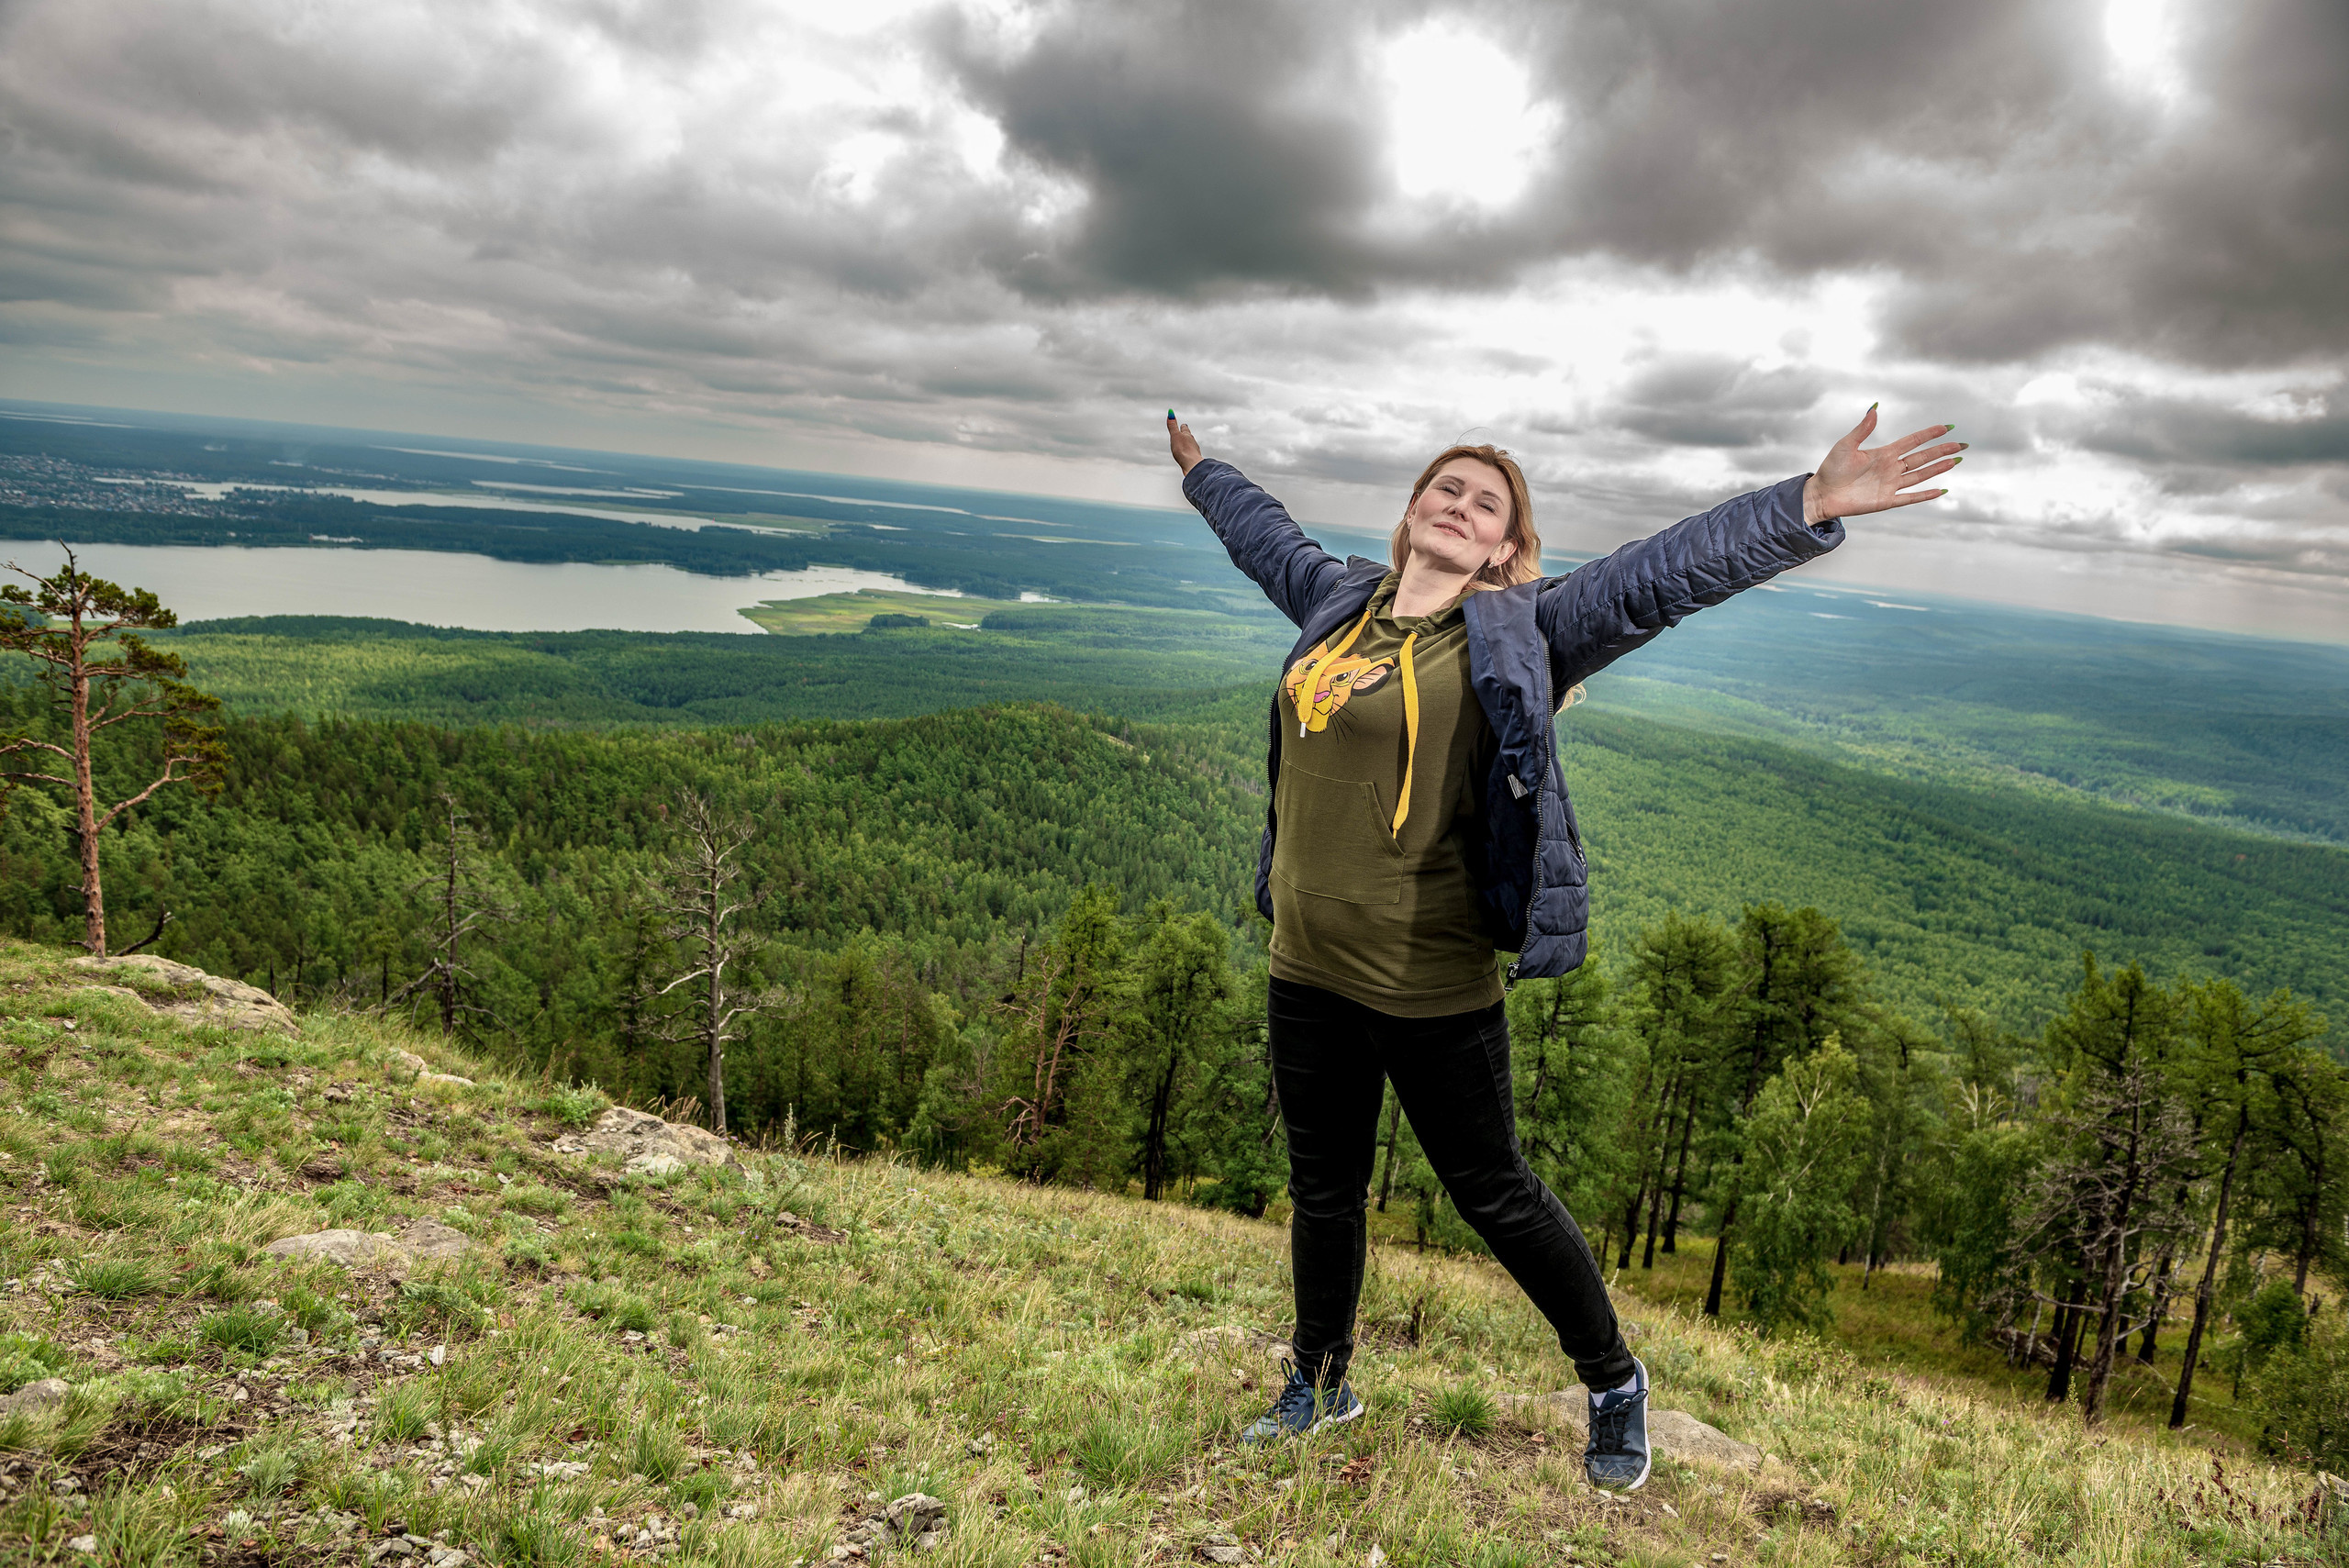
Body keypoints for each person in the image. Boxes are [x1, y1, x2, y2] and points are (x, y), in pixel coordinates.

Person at [1165, 406, 1960, 1490]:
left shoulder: (1518, 629)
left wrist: (1808, 503)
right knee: (1324, 1188)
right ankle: (1321, 1378)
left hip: (1427, 980)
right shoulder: (1337, 600)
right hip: (1305, 966)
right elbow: (1266, 534)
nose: (1460, 505)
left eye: (1486, 503)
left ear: (1503, 546)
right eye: (1445, 487)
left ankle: (1613, 1377)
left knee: (1493, 1190)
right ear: (1412, 509)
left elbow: (1657, 574)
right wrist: (1203, 470)